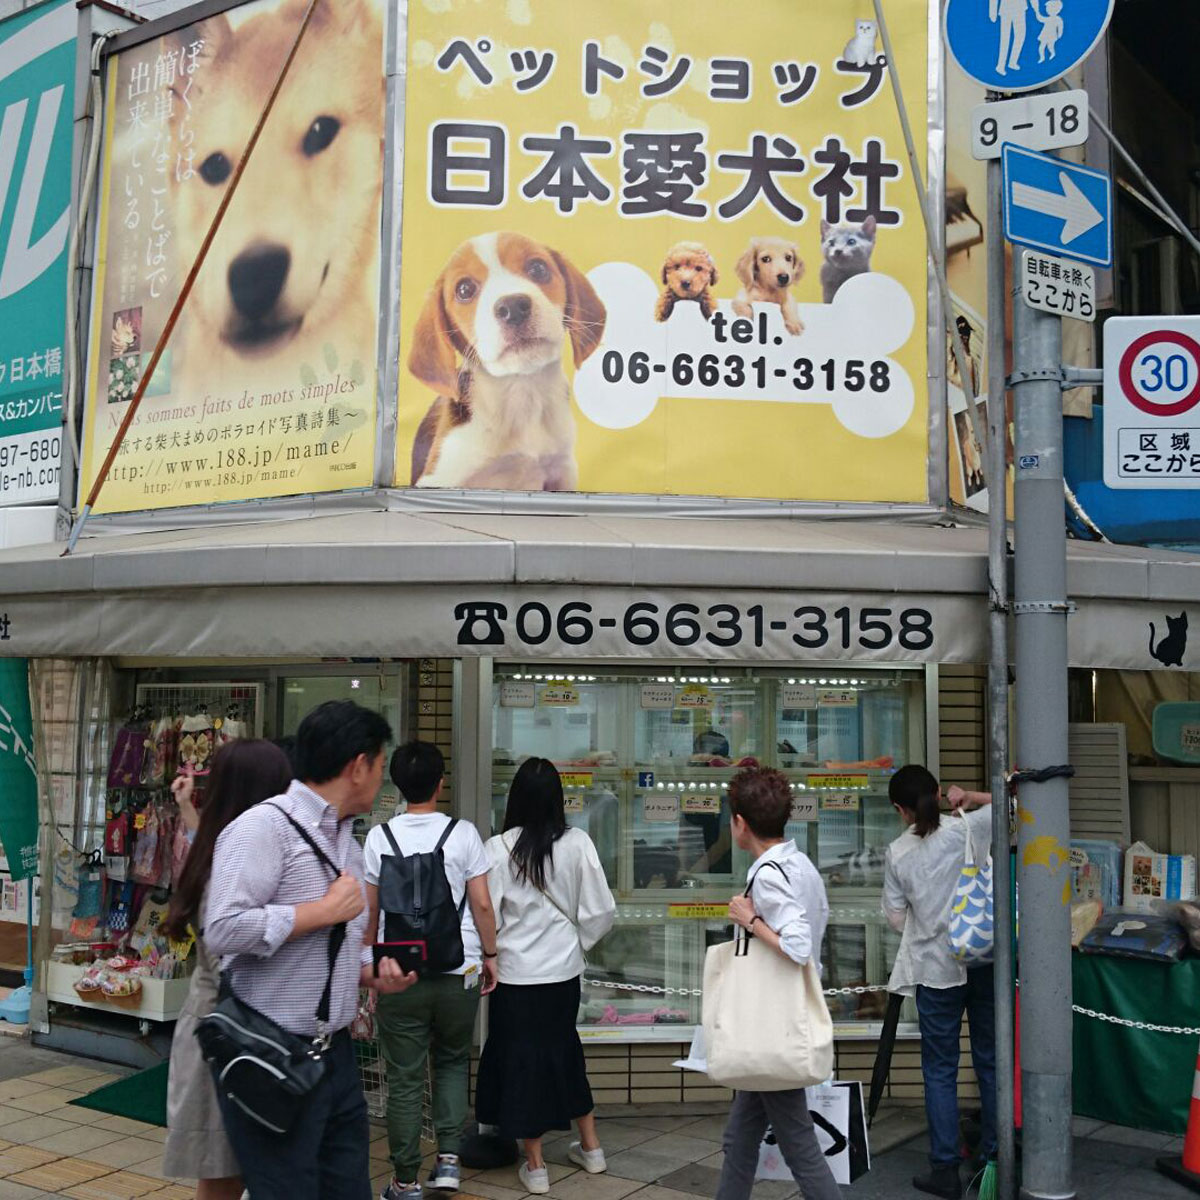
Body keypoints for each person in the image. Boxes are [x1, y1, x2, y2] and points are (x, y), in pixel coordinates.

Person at [205, 701, 417, 1200]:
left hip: (337, 1056)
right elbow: (222, 928)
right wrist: (319, 912)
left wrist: (371, 973)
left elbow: (335, 946)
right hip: (273, 1054)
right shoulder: (263, 828)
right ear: (358, 765)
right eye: (381, 765)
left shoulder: (346, 840)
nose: (383, 779)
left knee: (347, 1190)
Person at [363, 741, 500, 1200]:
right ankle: (447, 1163)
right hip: (457, 968)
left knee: (403, 1077)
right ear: (441, 784)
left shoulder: (380, 837)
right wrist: (491, 955)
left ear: (397, 785)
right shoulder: (463, 833)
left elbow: (370, 912)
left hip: (399, 971)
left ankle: (404, 1181)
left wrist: (370, 970)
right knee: (451, 1062)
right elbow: (481, 903)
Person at [475, 757, 616, 1195]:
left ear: (515, 798)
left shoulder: (497, 848)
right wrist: (576, 942)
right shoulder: (578, 844)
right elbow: (601, 911)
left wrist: (491, 952)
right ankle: (591, 1148)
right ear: (558, 799)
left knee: (520, 1063)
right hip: (562, 975)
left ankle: (535, 1166)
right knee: (565, 1053)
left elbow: (486, 912)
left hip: (515, 976)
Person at [161, 741, 292, 1200]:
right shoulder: (234, 862)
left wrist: (184, 805)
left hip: (218, 1026)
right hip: (228, 1035)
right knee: (223, 1174)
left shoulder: (218, 847)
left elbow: (208, 846)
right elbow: (229, 962)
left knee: (230, 1171)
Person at [716, 765, 839, 1200]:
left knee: (799, 1145)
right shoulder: (798, 863)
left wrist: (749, 920)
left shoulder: (768, 876)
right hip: (779, 1018)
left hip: (772, 1023)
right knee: (741, 1136)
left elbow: (798, 945)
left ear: (740, 823)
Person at [883, 765, 996, 1200]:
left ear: (900, 809)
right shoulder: (969, 828)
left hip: (935, 971)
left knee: (940, 1070)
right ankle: (994, 1157)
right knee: (989, 1059)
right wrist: (972, 795)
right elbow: (1019, 805)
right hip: (983, 961)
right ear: (938, 794)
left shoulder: (898, 853)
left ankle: (945, 1169)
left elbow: (895, 918)